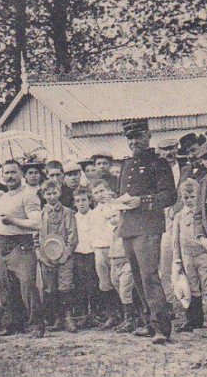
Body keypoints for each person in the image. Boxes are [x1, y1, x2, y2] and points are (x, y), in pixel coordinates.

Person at [115, 119, 178, 345]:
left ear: (148, 136)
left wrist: (142, 201)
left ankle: (162, 327)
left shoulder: (158, 163)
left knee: (149, 276)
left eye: (138, 137)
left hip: (148, 227)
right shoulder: (126, 164)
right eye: (130, 138)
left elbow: (170, 196)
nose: (133, 142)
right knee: (138, 277)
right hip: (128, 227)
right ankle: (149, 323)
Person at [171, 178, 207, 338]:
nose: (189, 200)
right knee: (191, 286)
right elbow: (175, 239)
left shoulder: (203, 215)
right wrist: (177, 259)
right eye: (186, 197)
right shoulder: (179, 216)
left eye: (193, 197)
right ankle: (194, 320)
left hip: (204, 255)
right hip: (187, 256)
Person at [0, 160, 44, 337]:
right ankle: (12, 324)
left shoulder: (29, 194)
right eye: (6, 173)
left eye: (13, 172)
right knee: (6, 288)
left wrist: (13, 220)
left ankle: (36, 325)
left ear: (21, 175)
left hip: (20, 244)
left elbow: (37, 223)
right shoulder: (3, 197)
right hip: (2, 244)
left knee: (27, 285)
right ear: (2, 176)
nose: (10, 176)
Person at [38, 179, 79, 333]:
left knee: (65, 287)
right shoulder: (41, 215)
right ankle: (57, 318)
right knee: (50, 288)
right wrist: (41, 257)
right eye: (48, 193)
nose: (52, 196)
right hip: (46, 258)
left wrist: (66, 254)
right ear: (43, 195)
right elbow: (36, 238)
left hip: (65, 258)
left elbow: (73, 236)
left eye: (54, 193)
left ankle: (68, 318)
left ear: (60, 193)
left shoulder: (68, 212)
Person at [88, 181, 125, 328]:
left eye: (102, 191)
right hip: (99, 249)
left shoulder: (117, 208)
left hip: (115, 249)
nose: (99, 195)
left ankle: (127, 315)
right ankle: (112, 315)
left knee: (119, 280)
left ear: (108, 190)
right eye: (96, 193)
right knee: (105, 283)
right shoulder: (93, 213)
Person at [156, 137, 182, 312]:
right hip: (163, 218)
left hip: (182, 217)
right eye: (165, 150)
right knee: (164, 262)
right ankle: (169, 303)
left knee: (183, 261)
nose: (169, 153)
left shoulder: (186, 169)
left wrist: (177, 208)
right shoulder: (156, 170)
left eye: (172, 149)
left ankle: (190, 306)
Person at [72, 186, 100, 326]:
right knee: (80, 285)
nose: (81, 203)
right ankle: (83, 315)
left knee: (94, 284)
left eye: (83, 200)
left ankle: (94, 314)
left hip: (93, 253)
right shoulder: (73, 218)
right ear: (74, 203)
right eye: (77, 201)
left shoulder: (95, 215)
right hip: (78, 254)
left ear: (89, 200)